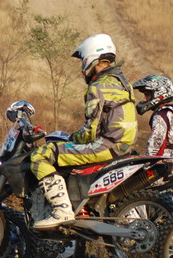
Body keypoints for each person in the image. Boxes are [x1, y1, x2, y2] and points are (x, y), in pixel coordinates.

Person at [30, 33, 138, 230]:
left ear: (91, 58)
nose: (82, 67)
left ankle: (61, 210)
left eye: (82, 60)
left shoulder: (98, 86)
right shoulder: (123, 82)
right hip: (122, 145)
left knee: (42, 155)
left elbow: (91, 131)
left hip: (106, 145)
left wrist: (71, 138)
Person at [133, 75, 173, 156]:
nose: (144, 99)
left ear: (159, 93)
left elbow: (156, 145)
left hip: (165, 164)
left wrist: (147, 162)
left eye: (147, 95)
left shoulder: (162, 114)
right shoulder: (170, 112)